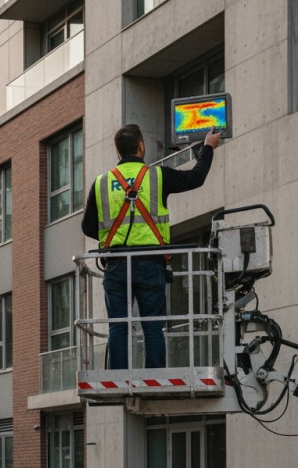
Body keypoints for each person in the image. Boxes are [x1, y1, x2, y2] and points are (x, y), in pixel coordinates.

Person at [82, 124, 220, 369]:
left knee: (118, 326)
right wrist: (208, 148)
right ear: (141, 146)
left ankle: (117, 376)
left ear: (117, 150)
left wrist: (110, 241)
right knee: (153, 326)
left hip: (115, 265)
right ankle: (154, 373)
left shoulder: (101, 182)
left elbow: (88, 227)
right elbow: (196, 178)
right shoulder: (158, 176)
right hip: (151, 263)